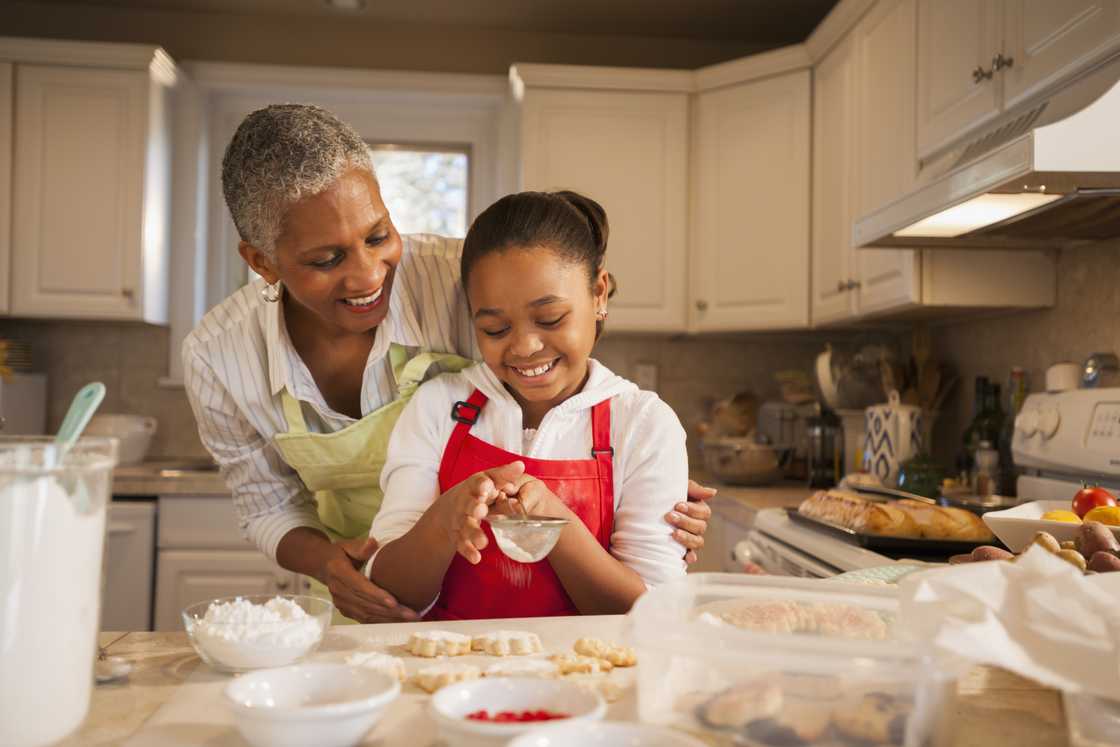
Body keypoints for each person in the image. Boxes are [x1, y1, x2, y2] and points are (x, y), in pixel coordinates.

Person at [182, 104, 715, 623]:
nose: (368, 275)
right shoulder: (219, 355)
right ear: (262, 263)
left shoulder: (460, 278)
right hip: (374, 600)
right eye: (326, 260)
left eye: (378, 236)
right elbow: (266, 505)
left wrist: (648, 487)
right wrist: (334, 561)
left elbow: (558, 374)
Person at [368, 191, 688, 619]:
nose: (524, 346)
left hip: (589, 679)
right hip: (454, 677)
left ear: (598, 294)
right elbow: (390, 592)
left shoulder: (643, 424)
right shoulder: (441, 405)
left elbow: (652, 614)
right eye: (495, 328)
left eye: (550, 319)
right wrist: (446, 519)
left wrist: (554, 522)